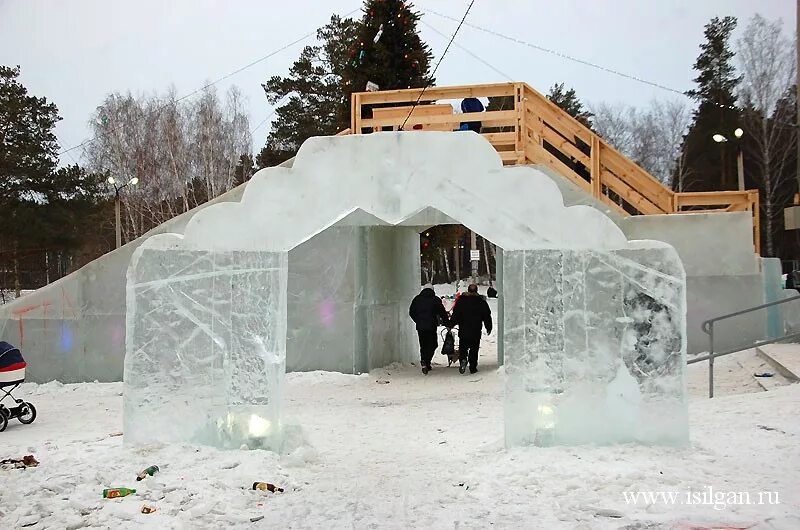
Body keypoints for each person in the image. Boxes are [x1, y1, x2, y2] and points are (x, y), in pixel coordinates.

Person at [449, 283, 492, 374]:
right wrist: (488, 326)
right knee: (474, 348)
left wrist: (451, 324)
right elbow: (487, 315)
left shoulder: (461, 301)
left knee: (463, 347)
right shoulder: (481, 301)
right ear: (476, 291)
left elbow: (456, 314)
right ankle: (473, 367)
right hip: (475, 329)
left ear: (468, 290)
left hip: (464, 329)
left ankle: (463, 360)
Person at [409, 284, 450, 374]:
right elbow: (442, 313)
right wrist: (447, 324)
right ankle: (427, 361)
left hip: (420, 326)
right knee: (433, 344)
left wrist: (418, 320)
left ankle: (424, 361)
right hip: (431, 326)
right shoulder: (435, 299)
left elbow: (411, 312)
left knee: (423, 345)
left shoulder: (417, 299)